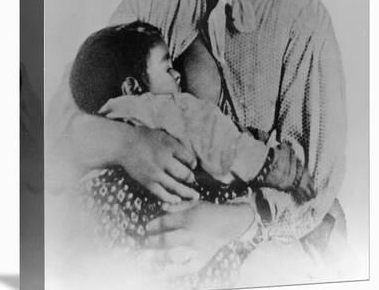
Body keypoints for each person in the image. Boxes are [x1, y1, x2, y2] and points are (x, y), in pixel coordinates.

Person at [47, 0, 346, 287]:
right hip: (158, 224)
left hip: (270, 241)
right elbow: (63, 122)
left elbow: (318, 180)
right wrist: (126, 145)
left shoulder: (303, 15)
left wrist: (233, 222)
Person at [69, 20, 315, 252]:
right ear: (133, 87)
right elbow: (220, 142)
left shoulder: (103, 124)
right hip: (172, 218)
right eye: (167, 68)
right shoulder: (170, 106)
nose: (177, 76)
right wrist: (278, 168)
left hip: (111, 222)